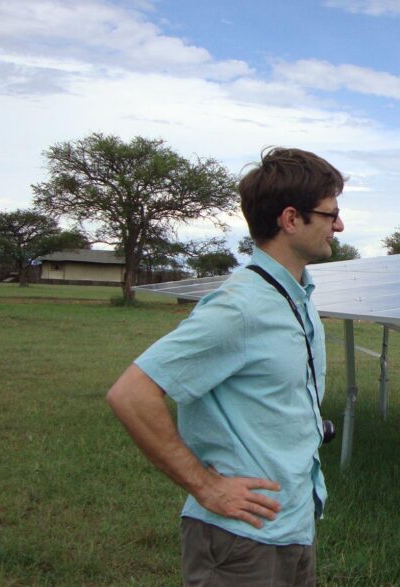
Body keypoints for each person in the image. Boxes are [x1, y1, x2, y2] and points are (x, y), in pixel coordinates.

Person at [106, 147, 345, 586]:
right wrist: (205, 485)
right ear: (291, 220)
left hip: (291, 524)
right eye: (330, 214)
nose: (340, 225)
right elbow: (131, 393)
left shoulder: (297, 297)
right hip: (242, 544)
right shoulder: (241, 307)